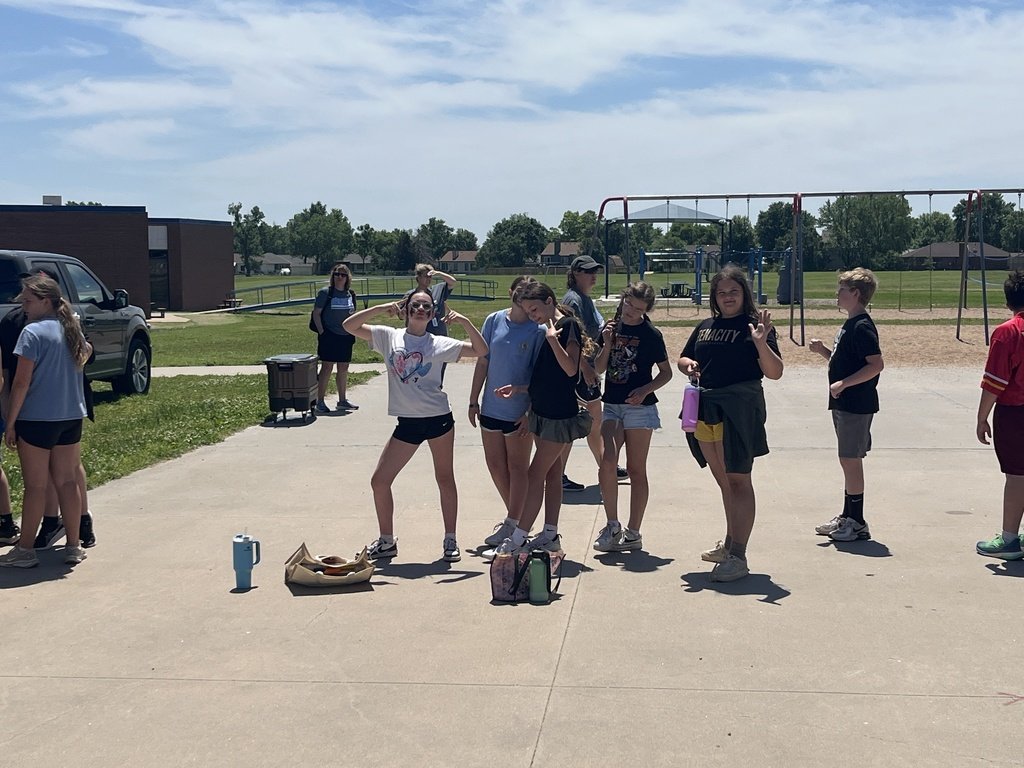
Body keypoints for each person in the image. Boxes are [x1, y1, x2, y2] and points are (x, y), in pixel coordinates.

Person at [343, 289, 487, 563]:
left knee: (445, 478)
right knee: (380, 481)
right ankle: (386, 541)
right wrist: (382, 306)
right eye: (415, 305)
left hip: (438, 419)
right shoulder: (389, 336)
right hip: (407, 423)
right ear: (406, 310)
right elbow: (348, 326)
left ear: (432, 314)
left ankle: (450, 539)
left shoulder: (438, 343)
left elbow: (481, 351)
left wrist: (466, 323)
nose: (420, 309)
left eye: (426, 306)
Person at [677, 265, 783, 582]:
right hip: (706, 408)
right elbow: (683, 357)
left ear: (744, 294)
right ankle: (729, 545)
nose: (727, 298)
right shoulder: (706, 325)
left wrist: (761, 343)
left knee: (739, 481)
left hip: (739, 409)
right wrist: (688, 365)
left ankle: (739, 555)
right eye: (721, 293)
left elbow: (775, 372)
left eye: (733, 292)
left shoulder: (755, 326)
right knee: (725, 481)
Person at [493, 281, 593, 555]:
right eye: (528, 311)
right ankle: (549, 534)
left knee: (534, 474)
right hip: (541, 412)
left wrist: (552, 339)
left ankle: (516, 540)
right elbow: (548, 377)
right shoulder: (548, 329)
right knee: (551, 474)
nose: (533, 316)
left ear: (550, 300)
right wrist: (520, 389)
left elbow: (570, 370)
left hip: (559, 417)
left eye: (535, 309)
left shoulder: (567, 325)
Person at [0, 267, 95, 551]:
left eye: (27, 301)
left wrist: (11, 421)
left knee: (36, 487)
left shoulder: (31, 333)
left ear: (44, 301)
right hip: (70, 416)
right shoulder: (71, 328)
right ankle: (74, 544)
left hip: (37, 418)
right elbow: (87, 353)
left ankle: (25, 549)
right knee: (68, 481)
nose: (22, 306)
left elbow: (20, 383)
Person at [592, 282, 672, 552]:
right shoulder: (611, 328)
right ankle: (612, 524)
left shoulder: (651, 334)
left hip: (640, 407)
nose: (631, 312)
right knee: (608, 460)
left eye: (639, 309)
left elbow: (666, 373)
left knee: (637, 469)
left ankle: (634, 530)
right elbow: (599, 368)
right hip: (612, 404)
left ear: (646, 310)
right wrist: (606, 342)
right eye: (629, 304)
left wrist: (645, 389)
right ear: (623, 299)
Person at [809, 268, 884, 542]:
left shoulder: (862, 326)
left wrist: (844, 384)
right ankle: (847, 514)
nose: (837, 294)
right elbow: (845, 361)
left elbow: (876, 365)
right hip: (844, 403)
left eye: (841, 289)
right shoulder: (850, 324)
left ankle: (857, 520)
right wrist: (824, 353)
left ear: (855, 294)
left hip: (856, 404)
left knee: (851, 461)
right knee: (846, 460)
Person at [470, 277, 546, 547]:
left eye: (527, 293)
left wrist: (529, 411)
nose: (521, 296)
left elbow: (539, 375)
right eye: (518, 290)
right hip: (491, 407)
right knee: (495, 466)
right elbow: (483, 361)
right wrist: (473, 400)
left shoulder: (538, 330)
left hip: (518, 410)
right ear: (510, 291)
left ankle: (514, 523)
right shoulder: (493, 320)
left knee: (518, 467)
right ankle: (514, 518)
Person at [560, 254, 624, 491]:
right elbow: (572, 338)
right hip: (581, 372)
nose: (593, 275)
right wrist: (585, 367)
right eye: (587, 271)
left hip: (590, 370)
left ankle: (605, 464)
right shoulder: (572, 300)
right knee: (574, 423)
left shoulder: (585, 299)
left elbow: (590, 334)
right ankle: (559, 473)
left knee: (594, 424)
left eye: (594, 271)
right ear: (575, 274)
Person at [974, 270, 1024, 560]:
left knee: (1017, 475)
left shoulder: (1008, 332)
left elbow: (994, 381)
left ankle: (1008, 539)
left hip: (1015, 412)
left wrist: (982, 417)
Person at [312, 263, 358, 413]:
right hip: (329, 335)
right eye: (337, 274)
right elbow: (316, 313)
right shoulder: (326, 293)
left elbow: (354, 315)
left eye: (343, 275)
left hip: (346, 335)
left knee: (343, 367)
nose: (340, 277)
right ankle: (319, 401)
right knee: (327, 367)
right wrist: (322, 332)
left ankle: (342, 400)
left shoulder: (350, 294)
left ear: (347, 277)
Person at [408, 263, 458, 337]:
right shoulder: (411, 295)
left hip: (439, 334)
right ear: (418, 277)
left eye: (430, 276)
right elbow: (402, 315)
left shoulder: (437, 289)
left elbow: (453, 282)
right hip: (418, 336)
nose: (428, 279)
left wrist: (438, 273)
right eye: (426, 276)